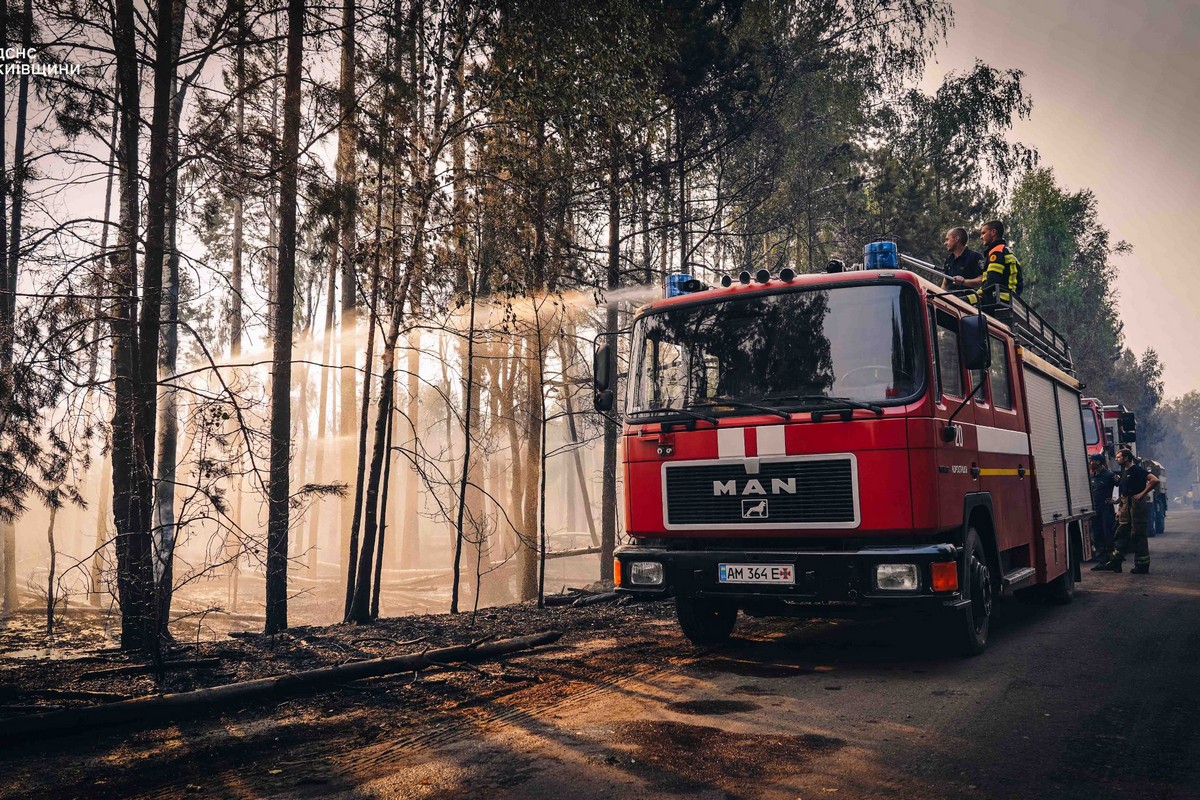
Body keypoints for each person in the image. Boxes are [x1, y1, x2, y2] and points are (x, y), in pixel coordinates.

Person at [1093, 449, 1157, 574]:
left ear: (1126, 458)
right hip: (1125, 505)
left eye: (1118, 457)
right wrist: (1117, 503)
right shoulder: (1123, 472)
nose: (1116, 459)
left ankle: (1142, 565)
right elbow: (1124, 491)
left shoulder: (1137, 470)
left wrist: (1142, 493)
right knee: (1121, 532)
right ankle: (1116, 562)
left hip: (1137, 506)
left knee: (1137, 534)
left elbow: (1154, 480)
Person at [953, 220, 1022, 306]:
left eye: (983, 233)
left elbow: (992, 281)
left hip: (998, 297)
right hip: (1004, 297)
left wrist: (979, 293)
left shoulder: (997, 252)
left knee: (957, 302)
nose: (981, 237)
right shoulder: (1003, 250)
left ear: (993, 232)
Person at [1089, 454, 1118, 558]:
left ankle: (1112, 558)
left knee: (1108, 534)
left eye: (1092, 461)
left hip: (1106, 510)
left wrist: (1116, 501)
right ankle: (1102, 559)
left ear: (1098, 462)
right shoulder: (1092, 476)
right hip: (1095, 510)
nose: (1090, 463)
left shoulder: (1109, 475)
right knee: (1097, 534)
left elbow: (1124, 486)